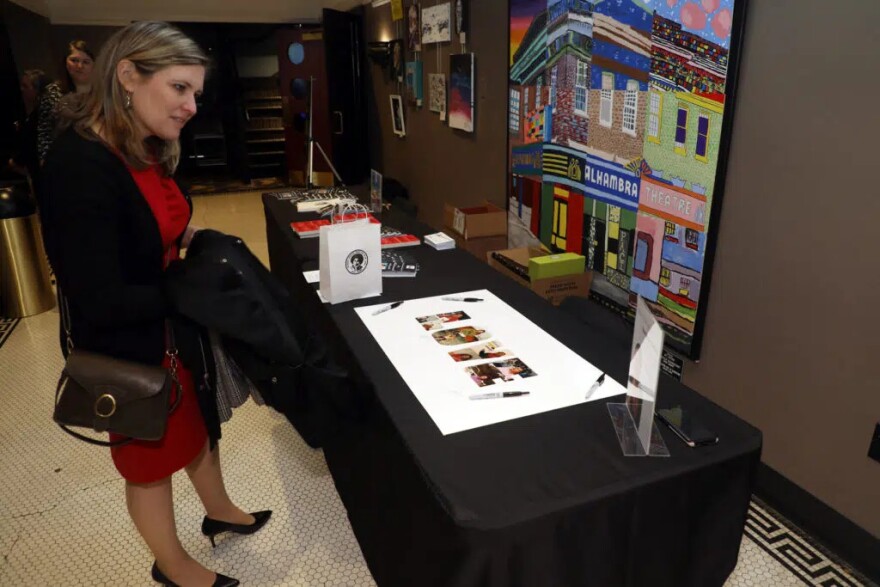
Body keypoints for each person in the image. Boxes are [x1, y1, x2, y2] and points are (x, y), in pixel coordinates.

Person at [40, 22, 269, 587]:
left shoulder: (141, 146)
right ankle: (173, 567)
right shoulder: (79, 165)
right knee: (149, 461)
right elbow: (99, 296)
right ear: (127, 76)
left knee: (196, 424)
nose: (192, 106)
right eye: (179, 88)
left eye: (196, 92)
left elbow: (155, 223)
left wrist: (191, 244)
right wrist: (189, 290)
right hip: (132, 342)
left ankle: (220, 512)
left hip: (172, 325)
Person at [37, 40, 95, 162]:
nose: (79, 66)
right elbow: (44, 131)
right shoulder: (53, 91)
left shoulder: (103, 93)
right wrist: (44, 160)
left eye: (86, 62)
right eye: (74, 60)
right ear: (65, 62)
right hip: (63, 157)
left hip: (95, 156)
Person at [8, 69, 49, 181]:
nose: (21, 90)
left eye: (25, 86)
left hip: (38, 172)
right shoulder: (20, 110)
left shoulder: (42, 116)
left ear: (36, 90)